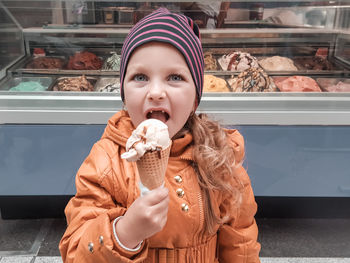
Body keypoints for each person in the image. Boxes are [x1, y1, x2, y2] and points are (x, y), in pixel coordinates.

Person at [59, 8, 260, 263]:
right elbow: (76, 251)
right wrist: (124, 233)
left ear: (195, 99)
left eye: (174, 77)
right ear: (124, 95)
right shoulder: (106, 163)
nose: (155, 92)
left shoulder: (220, 156)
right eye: (140, 77)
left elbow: (241, 242)